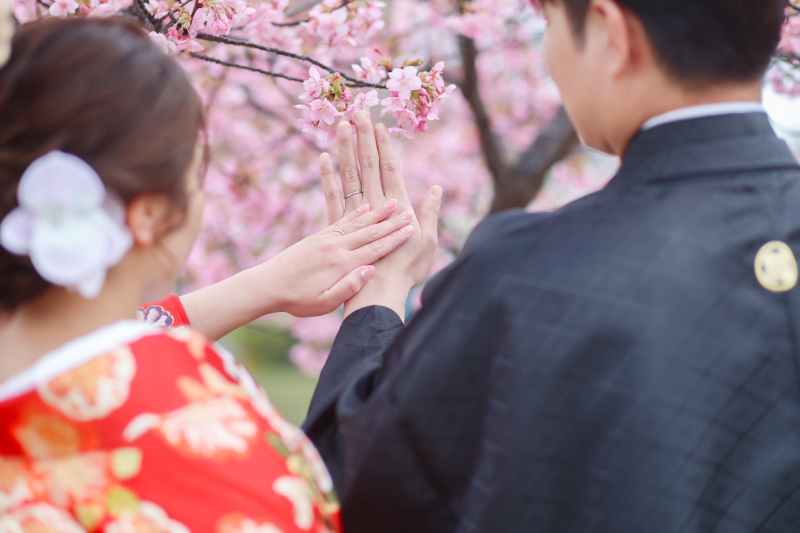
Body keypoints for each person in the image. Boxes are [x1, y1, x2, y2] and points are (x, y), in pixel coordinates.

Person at [303, 0, 800, 531]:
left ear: (611, 32)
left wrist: (376, 296)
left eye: (550, 24)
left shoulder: (524, 276)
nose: (549, 55)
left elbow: (353, 483)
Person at [0, 16, 440, 533]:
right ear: (148, 214)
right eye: (197, 177)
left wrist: (260, 287)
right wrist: (381, 298)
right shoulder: (189, 423)